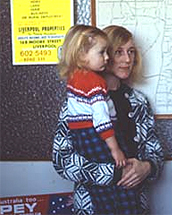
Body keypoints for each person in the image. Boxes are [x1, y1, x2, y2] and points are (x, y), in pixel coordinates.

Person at [53, 25, 164, 214]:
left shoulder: (139, 102)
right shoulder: (78, 102)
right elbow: (61, 160)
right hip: (93, 207)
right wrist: (111, 174)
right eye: (118, 52)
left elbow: (155, 152)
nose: (128, 59)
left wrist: (146, 168)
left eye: (131, 52)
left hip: (136, 206)